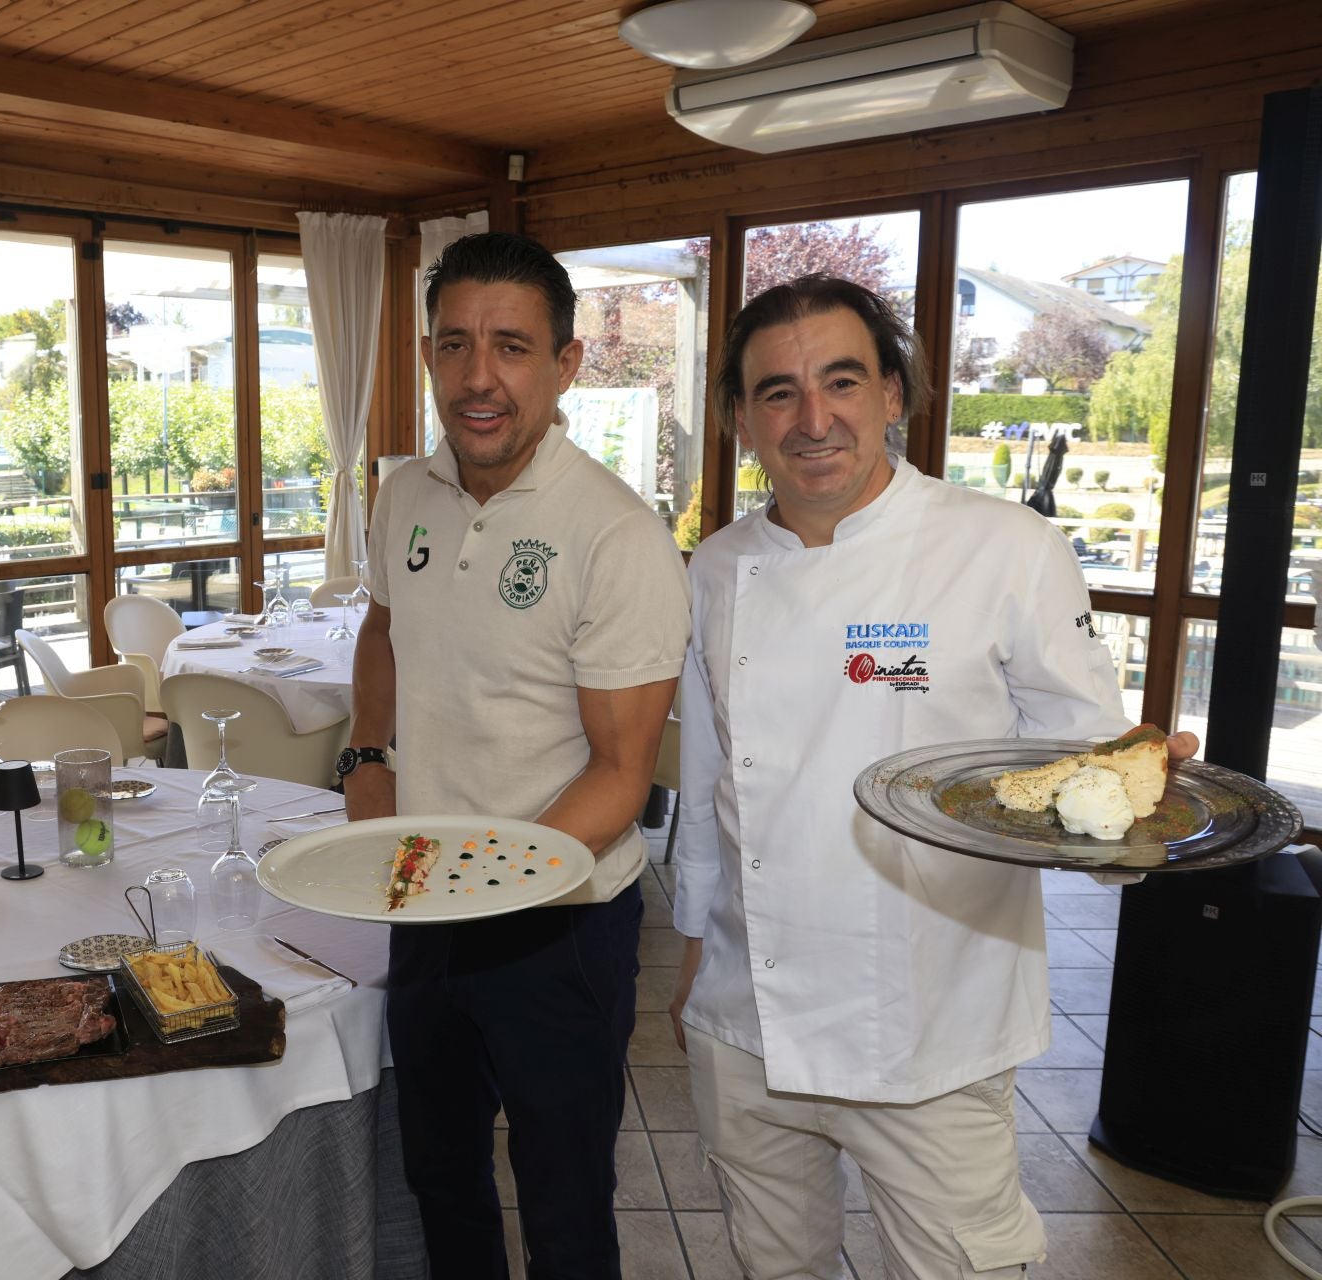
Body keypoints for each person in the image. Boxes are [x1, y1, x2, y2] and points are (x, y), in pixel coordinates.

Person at [666, 274, 1196, 1279]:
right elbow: (711, 774)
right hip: (749, 1010)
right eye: (777, 391)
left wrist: (1141, 785)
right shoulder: (716, 565)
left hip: (928, 1018)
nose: (812, 417)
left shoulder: (1004, 548)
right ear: (740, 417)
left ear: (895, 395)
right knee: (770, 1261)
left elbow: (1094, 771)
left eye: (842, 381)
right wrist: (695, 942)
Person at [345, 231, 689, 1278]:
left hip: (560, 927)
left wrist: (478, 883)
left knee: (564, 1200)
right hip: (426, 900)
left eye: (510, 346)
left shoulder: (616, 535)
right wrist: (367, 757)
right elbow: (380, 626)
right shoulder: (404, 489)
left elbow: (622, 774)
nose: (478, 376)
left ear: (566, 364)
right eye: (454, 345)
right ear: (428, 355)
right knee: (440, 1176)